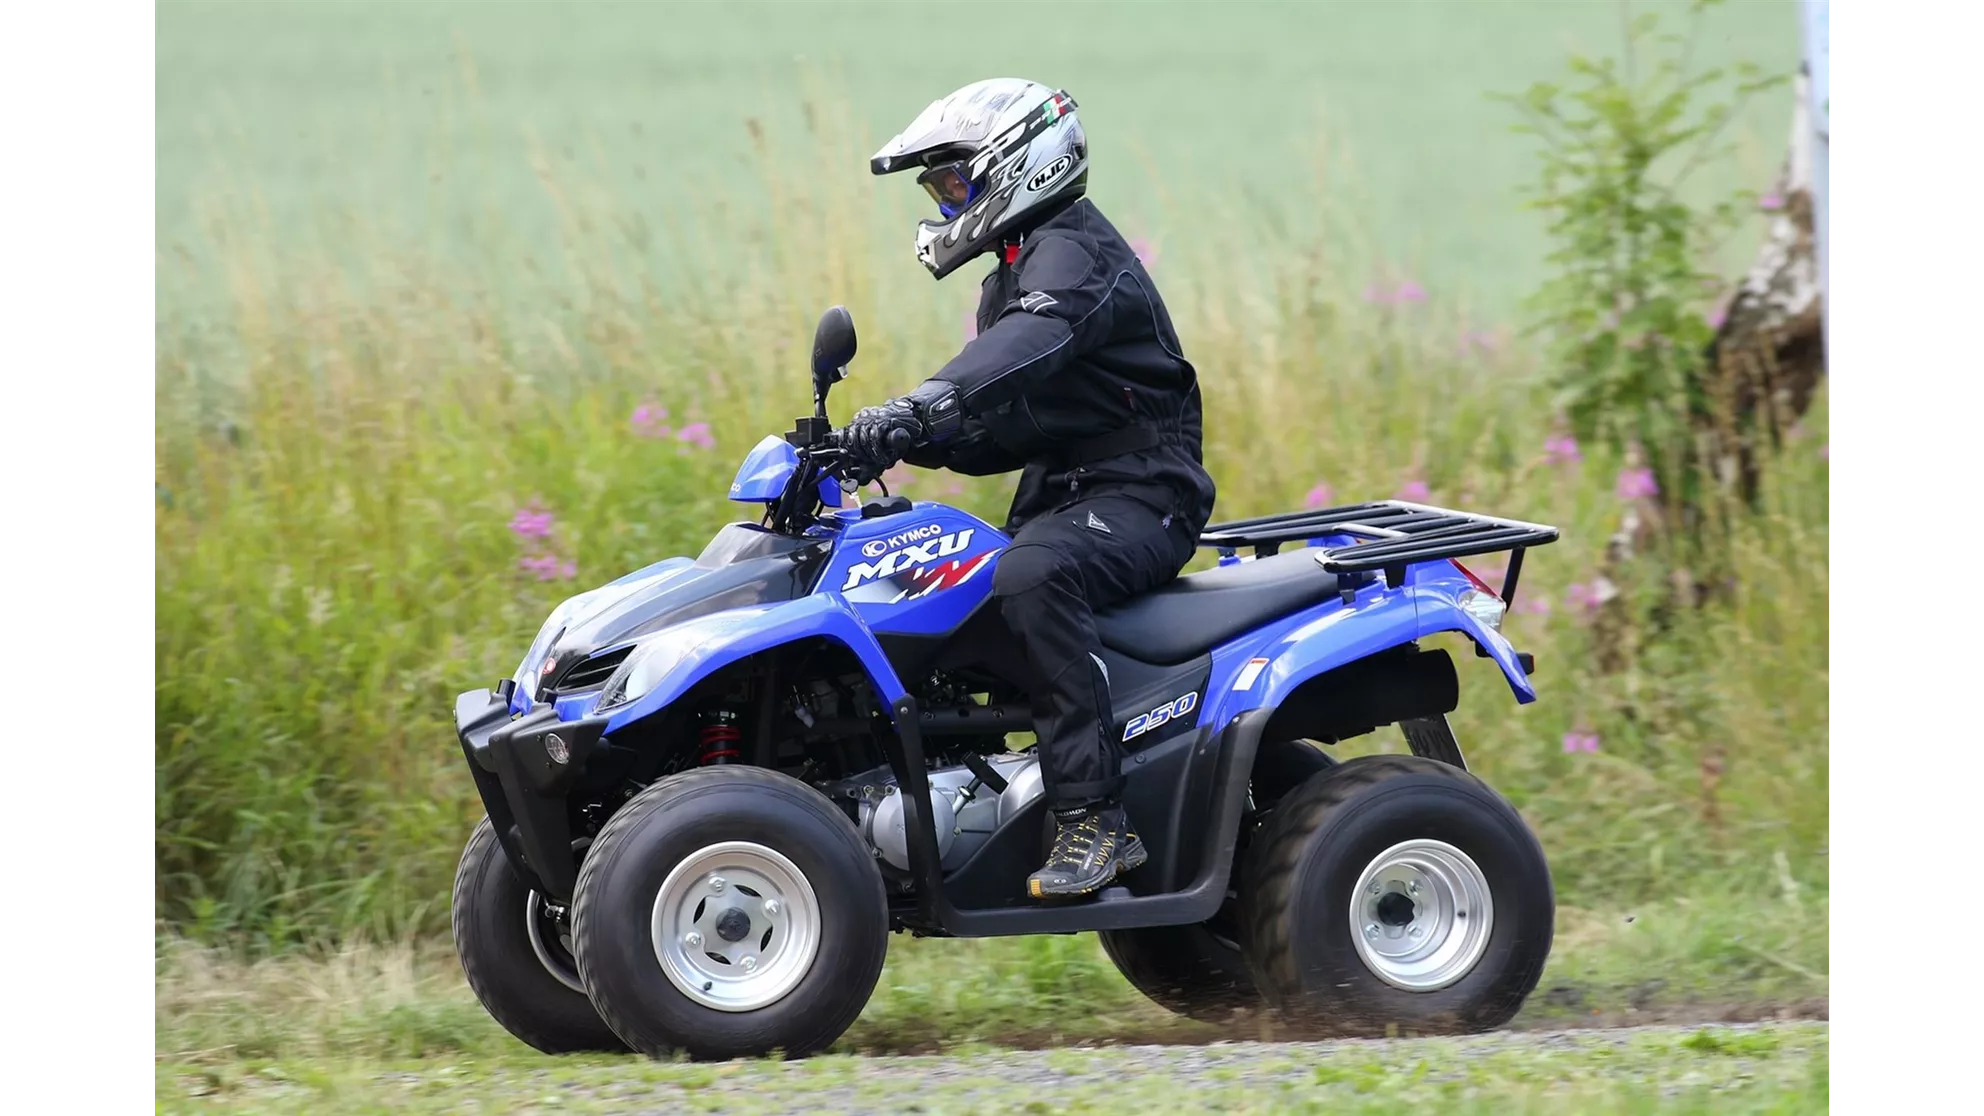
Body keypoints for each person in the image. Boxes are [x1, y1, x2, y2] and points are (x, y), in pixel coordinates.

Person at [845, 78, 1217, 900]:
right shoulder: (1007, 273)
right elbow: (1010, 425)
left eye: (954, 183)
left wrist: (922, 402)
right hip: (1073, 494)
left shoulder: (1072, 254)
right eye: (938, 188)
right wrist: (901, 441)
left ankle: (1095, 821)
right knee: (939, 588)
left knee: (1031, 573)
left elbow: (1030, 344)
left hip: (1145, 493)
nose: (945, 202)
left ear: (1020, 166)